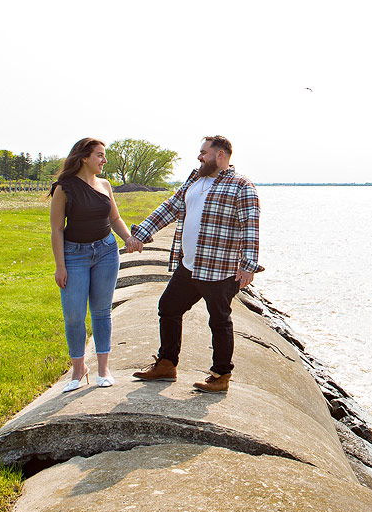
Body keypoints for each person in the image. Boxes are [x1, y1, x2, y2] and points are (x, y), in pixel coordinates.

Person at [127, 135, 263, 392]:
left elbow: (251, 228)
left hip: (219, 270)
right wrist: (140, 235)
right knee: (168, 307)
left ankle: (221, 376)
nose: (199, 157)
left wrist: (248, 265)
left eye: (204, 152)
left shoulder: (241, 186)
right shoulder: (194, 181)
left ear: (220, 155)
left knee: (219, 321)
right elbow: (168, 209)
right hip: (189, 266)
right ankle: (167, 363)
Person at [49, 137, 133, 392]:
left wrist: (128, 239)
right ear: (84, 157)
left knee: (101, 311)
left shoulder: (105, 185)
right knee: (74, 315)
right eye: (99, 155)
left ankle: (103, 369)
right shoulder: (64, 188)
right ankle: (78, 369)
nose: (104, 160)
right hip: (74, 256)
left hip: (106, 252)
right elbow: (56, 230)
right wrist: (60, 266)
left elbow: (115, 218)